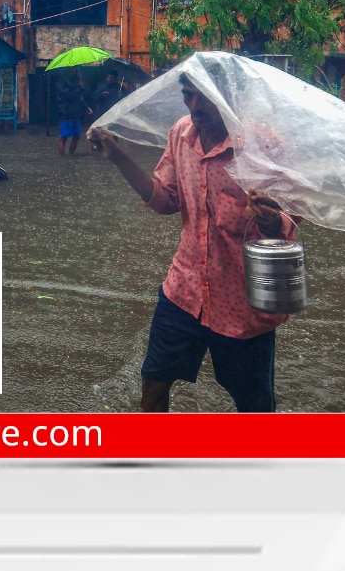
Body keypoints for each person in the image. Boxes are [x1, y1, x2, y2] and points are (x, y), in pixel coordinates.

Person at [88, 73, 297, 413]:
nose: (195, 106)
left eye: (204, 97)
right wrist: (118, 157)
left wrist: (272, 220)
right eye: (188, 96)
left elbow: (289, 222)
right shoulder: (181, 135)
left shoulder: (262, 146)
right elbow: (164, 200)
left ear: (229, 99)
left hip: (242, 305)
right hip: (183, 292)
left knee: (255, 406)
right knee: (153, 384)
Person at [55, 70, 91, 156]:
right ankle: (62, 158)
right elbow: (68, 95)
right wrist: (79, 88)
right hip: (66, 113)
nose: (76, 71)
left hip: (76, 114)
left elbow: (80, 97)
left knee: (76, 136)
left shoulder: (77, 80)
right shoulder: (61, 82)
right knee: (63, 138)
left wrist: (86, 107)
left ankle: (71, 156)